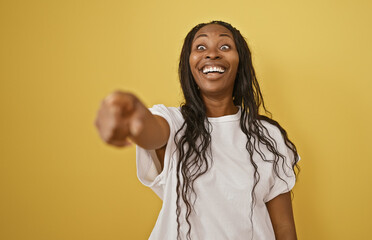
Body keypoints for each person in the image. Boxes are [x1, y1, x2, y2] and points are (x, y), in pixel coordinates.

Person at [94, 20, 300, 240]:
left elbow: (284, 227)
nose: (211, 54)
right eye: (200, 47)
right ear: (189, 64)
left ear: (240, 62)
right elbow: (149, 131)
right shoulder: (173, 122)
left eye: (224, 46)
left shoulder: (268, 135)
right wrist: (133, 111)